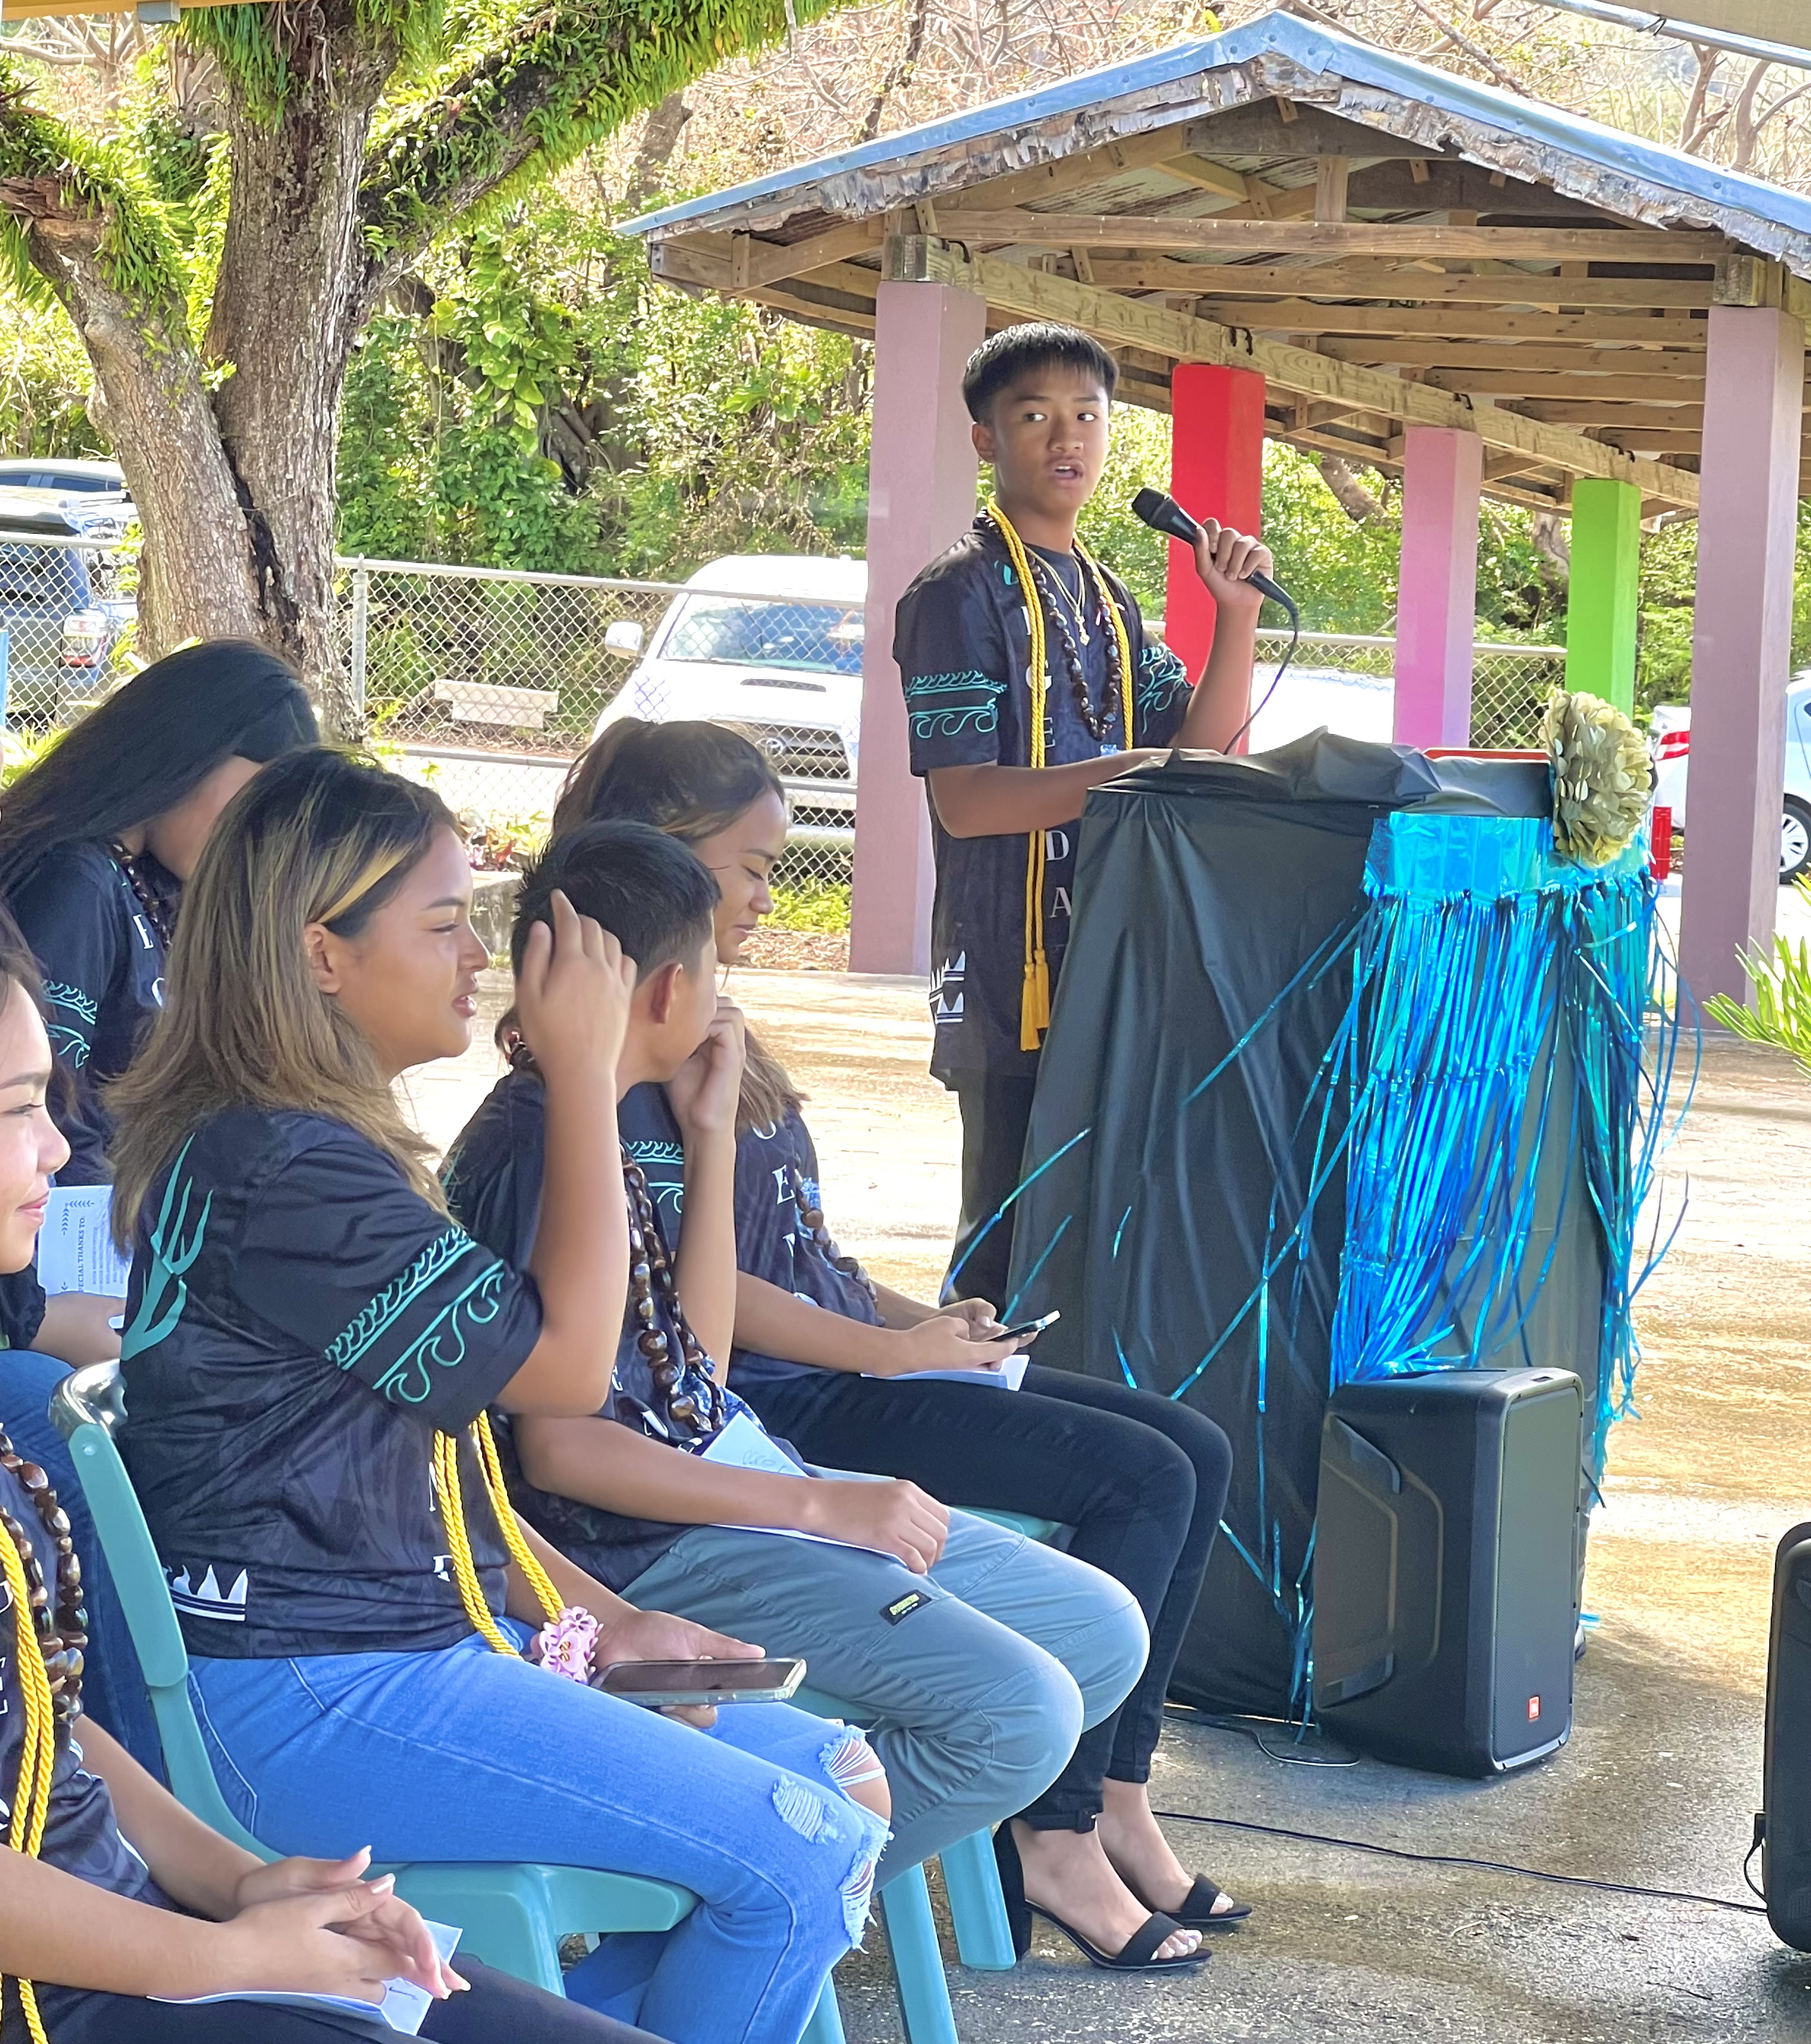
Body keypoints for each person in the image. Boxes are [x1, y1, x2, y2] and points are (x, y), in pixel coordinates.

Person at [107, 748, 889, 2044]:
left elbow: (422, 1473)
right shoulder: (287, 1166)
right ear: (321, 955)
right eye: (442, 921)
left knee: (833, 1784)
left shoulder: (293, 1140)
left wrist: (604, 1616)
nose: (480, 952)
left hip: (361, 1651)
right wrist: (583, 1075)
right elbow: (568, 1371)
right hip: (308, 1689)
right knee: (799, 1849)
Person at [547, 718, 1243, 1973]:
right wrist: (880, 1369)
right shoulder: (583, 1106)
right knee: (1136, 1481)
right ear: (669, 872)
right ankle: (1049, 1833)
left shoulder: (701, 1055)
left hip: (765, 1413)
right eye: (750, 867)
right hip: (780, 1414)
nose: (768, 894)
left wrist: (916, 1322)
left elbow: (776, 1262)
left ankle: (1106, 1800)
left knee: (1186, 1447)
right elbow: (660, 1361)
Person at [443, 818, 1156, 1902]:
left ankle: (792, 1876)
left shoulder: (619, 1111)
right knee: (1021, 1713)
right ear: (667, 987)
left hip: (730, 1479)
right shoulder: (535, 1142)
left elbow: (697, 1365)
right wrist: (812, 1507)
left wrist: (716, 1132)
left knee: (1100, 1629)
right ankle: (738, 1898)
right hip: (655, 1545)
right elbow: (563, 1447)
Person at [0, 899, 671, 2044]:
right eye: (19, 1109)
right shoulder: (281, 1169)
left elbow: (48, 1730)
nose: (60, 1147)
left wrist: (241, 1882)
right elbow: (565, 1374)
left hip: (138, 1933)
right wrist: (213, 1952)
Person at [893, 322, 1275, 1306]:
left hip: (1107, 958)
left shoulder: (1106, 596)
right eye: (1033, 416)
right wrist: (1130, 770)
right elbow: (969, 802)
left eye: (1086, 415)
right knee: (1007, 1229)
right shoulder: (955, 591)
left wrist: (1233, 614)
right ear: (985, 440)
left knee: (1097, 1229)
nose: (1065, 436)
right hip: (1005, 964)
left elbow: (1194, 755)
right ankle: (964, 1419)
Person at [0, 638, 317, 1365]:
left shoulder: (146, 885)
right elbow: (45, 1109)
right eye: (255, 805)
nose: (255, 842)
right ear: (191, 751)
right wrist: (48, 1313)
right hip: (61, 1269)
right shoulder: (77, 880)